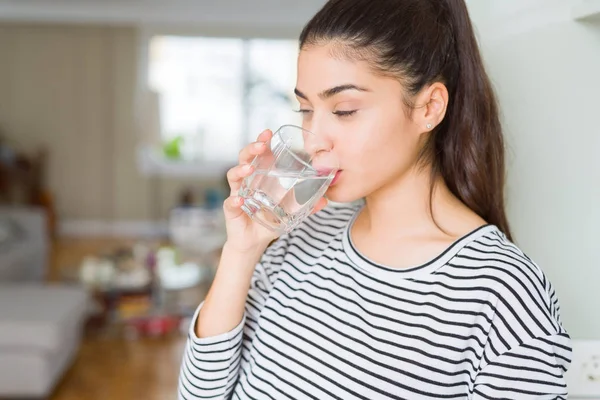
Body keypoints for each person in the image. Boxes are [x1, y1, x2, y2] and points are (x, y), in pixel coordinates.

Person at [178, 0, 572, 398]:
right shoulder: (299, 237)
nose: (316, 139)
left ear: (429, 108)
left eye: (345, 110)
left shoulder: (502, 293)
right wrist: (242, 251)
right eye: (306, 109)